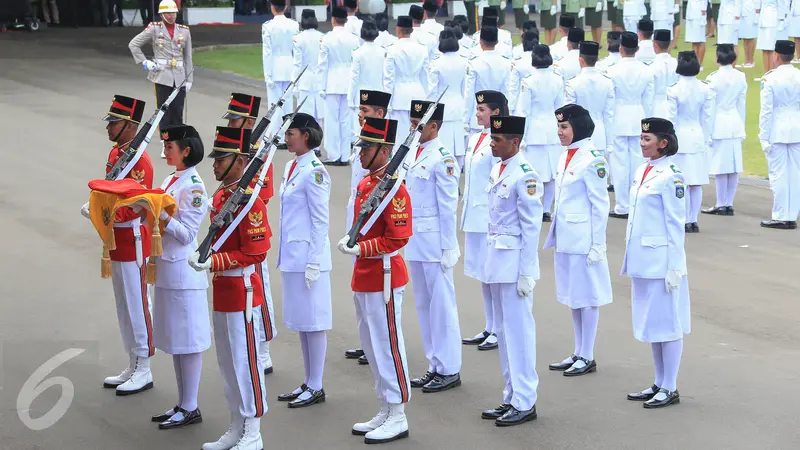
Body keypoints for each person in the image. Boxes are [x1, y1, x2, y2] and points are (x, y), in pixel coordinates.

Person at [188, 126, 268, 450]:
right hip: (223, 290)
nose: (214, 164)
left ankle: (253, 430)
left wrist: (216, 262)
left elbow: (256, 251)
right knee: (227, 363)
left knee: (246, 362)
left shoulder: (251, 203)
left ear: (240, 161)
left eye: (221, 158)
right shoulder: (221, 197)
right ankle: (237, 424)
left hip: (243, 290)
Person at [337, 117, 413, 444]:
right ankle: (385, 404)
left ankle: (398, 413)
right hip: (365, 275)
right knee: (371, 344)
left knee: (388, 345)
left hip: (384, 275)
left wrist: (360, 248)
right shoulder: (369, 183)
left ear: (384, 151)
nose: (360, 154)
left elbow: (398, 238)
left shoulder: (394, 188)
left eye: (366, 148)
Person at [87, 95, 155, 396]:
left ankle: (144, 366)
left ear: (130, 125)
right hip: (116, 239)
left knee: (138, 303)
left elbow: (137, 204)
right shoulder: (118, 154)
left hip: (133, 238)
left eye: (114, 123)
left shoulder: (140, 160)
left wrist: (105, 213)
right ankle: (132, 360)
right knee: (123, 305)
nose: (108, 128)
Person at [622, 117, 689, 410]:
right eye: (640, 138)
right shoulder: (643, 170)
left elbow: (676, 224)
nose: (641, 143)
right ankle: (659, 382)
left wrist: (675, 265)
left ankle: (670, 386)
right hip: (643, 259)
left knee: (668, 325)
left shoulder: (671, 175)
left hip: (662, 262)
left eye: (647, 139)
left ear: (663, 143)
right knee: (653, 324)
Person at [480, 114, 542, 427]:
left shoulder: (526, 175)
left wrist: (527, 272)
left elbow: (531, 228)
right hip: (496, 261)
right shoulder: (497, 168)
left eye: (497, 139)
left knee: (519, 334)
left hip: (515, 265)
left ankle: (525, 400)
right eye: (492, 137)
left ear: (514, 142)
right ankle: (511, 395)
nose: (491, 142)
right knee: (503, 334)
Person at [148, 124, 209, 430]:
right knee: (175, 341)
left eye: (170, 147)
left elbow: (187, 234)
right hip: (168, 270)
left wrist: (160, 214)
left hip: (184, 273)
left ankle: (191, 405)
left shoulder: (194, 186)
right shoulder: (172, 178)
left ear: (186, 150)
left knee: (188, 342)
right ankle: (183, 403)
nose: (165, 152)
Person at [544, 104, 612, 376]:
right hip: (567, 238)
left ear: (579, 128)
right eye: (559, 127)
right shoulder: (566, 156)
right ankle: (577, 351)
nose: (559, 132)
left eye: (564, 127)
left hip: (584, 239)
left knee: (588, 296)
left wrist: (598, 244)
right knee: (574, 297)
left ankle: (588, 354)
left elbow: (600, 205)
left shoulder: (592, 159)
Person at [275, 113, 333, 408]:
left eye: (291, 133)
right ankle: (309, 382)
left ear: (306, 136)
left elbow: (321, 220)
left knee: (314, 322)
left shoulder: (315, 171)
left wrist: (314, 261)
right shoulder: (291, 166)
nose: (287, 138)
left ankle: (317, 384)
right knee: (302, 322)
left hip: (310, 258)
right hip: (293, 255)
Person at [405, 100, 463, 394]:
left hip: (435, 243)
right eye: (412, 122)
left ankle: (450, 367)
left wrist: (449, 246)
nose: (413, 128)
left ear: (434, 127)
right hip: (415, 240)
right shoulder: (415, 151)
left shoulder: (443, 157)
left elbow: (448, 205)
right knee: (423, 305)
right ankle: (434, 364)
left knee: (441, 306)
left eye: (419, 124)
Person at [222, 93, 277, 375]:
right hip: (230, 228)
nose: (230, 122)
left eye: (235, 118)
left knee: (260, 291)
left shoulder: (261, 151)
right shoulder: (232, 147)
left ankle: (264, 347)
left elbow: (263, 195)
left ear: (250, 120)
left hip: (251, 228)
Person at [342, 89, 393, 366]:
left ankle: (379, 341)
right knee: (359, 288)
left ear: (380, 114)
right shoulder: (364, 142)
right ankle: (366, 342)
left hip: (376, 225)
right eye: (360, 111)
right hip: (358, 220)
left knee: (376, 290)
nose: (360, 116)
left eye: (366, 112)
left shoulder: (385, 147)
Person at [460, 91, 505, 351]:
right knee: (483, 276)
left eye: (482, 110)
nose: (477, 114)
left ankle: (499, 328)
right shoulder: (477, 138)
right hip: (474, 215)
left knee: (493, 275)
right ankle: (489, 326)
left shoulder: (498, 142)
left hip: (488, 215)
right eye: (477, 110)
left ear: (496, 113)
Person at [128, 0, 192, 158]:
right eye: (168, 13)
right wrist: (145, 62)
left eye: (174, 12)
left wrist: (189, 78)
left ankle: (178, 143)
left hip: (180, 77)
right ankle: (166, 144)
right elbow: (134, 44)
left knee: (177, 113)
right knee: (163, 112)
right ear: (162, 14)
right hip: (162, 76)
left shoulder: (184, 31)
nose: (171, 16)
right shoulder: (155, 29)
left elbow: (188, 56)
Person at [607, 31, 655, 219]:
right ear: (637, 49)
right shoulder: (646, 70)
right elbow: (648, 101)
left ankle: (622, 205)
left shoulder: (612, 70)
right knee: (638, 161)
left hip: (619, 117)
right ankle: (637, 202)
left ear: (620, 48)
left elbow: (610, 101)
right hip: (638, 116)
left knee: (619, 164)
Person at [667, 50, 714, 233]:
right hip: (698, 135)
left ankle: (684, 218)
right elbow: (707, 117)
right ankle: (693, 219)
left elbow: (671, 119)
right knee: (696, 181)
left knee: (682, 181)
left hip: (680, 136)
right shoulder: (705, 88)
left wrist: (668, 140)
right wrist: (706, 137)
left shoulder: (673, 89)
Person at [516, 44, 564, 221]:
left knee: (533, 171)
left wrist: (520, 136)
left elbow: (523, 111)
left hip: (534, 129)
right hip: (552, 129)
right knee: (551, 174)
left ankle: (534, 205)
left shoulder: (528, 81)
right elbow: (561, 109)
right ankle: (546, 209)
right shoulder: (558, 80)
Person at [759, 40, 800, 229]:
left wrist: (763, 136)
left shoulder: (770, 78)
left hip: (778, 130)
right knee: (795, 174)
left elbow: (766, 111)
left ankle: (781, 215)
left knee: (779, 175)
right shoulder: (798, 75)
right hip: (796, 129)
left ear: (776, 56)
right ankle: (791, 214)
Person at [702, 44, 747, 216]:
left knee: (721, 165)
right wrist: (741, 125)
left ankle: (722, 203)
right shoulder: (740, 76)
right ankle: (728, 202)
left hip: (719, 122)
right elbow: (741, 104)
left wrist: (708, 130)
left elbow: (710, 108)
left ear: (717, 58)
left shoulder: (713, 78)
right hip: (735, 122)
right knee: (734, 165)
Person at [319, 6, 361, 165]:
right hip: (348, 81)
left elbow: (322, 66)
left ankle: (334, 154)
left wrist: (321, 87)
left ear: (333, 19)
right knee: (345, 120)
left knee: (332, 120)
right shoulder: (354, 38)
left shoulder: (326, 38)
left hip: (331, 82)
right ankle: (344, 155)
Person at [384, 15, 430, 154]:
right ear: (411, 30)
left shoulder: (392, 49)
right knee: (417, 135)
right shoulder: (422, 49)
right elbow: (425, 77)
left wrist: (388, 102)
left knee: (399, 136)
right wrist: (426, 98)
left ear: (398, 29)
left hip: (399, 95)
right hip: (418, 92)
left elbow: (389, 79)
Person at [565, 41, 615, 158]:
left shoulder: (573, 83)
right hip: (599, 136)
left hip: (579, 136)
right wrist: (609, 143)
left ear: (581, 60)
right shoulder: (607, 82)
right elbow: (609, 115)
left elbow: (568, 115)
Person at [428, 28, 469, 170]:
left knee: (442, 148)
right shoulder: (464, 62)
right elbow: (465, 89)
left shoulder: (436, 64)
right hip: (459, 105)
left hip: (442, 107)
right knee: (458, 148)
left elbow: (432, 91)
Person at [463, 26, 513, 139]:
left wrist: (465, 120)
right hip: (498, 115)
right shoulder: (505, 62)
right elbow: (507, 92)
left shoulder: (474, 63)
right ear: (496, 42)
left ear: (481, 42)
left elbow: (469, 94)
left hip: (478, 115)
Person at [261, 0, 299, 141]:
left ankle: (276, 136)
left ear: (272, 7)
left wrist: (267, 75)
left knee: (275, 104)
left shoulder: (268, 26)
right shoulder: (294, 25)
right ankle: (287, 135)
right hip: (289, 66)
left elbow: (267, 53)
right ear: (286, 6)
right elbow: (296, 51)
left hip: (275, 67)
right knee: (287, 105)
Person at [349, 19, 386, 145]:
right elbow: (386, 76)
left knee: (360, 129)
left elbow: (354, 77)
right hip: (379, 93)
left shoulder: (357, 52)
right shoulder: (383, 51)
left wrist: (350, 98)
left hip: (362, 94)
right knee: (378, 128)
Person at [293, 9, 324, 122]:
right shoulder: (323, 37)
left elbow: (297, 64)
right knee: (318, 117)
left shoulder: (298, 38)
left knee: (305, 117)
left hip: (305, 80)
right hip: (319, 80)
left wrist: (294, 84)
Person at [506, 30, 538, 113]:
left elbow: (513, 88)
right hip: (540, 103)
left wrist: (510, 108)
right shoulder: (544, 62)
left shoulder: (518, 63)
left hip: (521, 104)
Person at [651, 29, 679, 118]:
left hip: (655, 107)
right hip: (675, 107)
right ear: (670, 44)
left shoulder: (651, 66)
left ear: (655, 44)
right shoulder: (678, 64)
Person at [756, 0, 782, 77]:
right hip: (762, 19)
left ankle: (772, 72)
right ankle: (766, 73)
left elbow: (781, 5)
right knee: (764, 48)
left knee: (771, 48)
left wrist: (782, 20)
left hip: (772, 19)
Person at [684, 0, 707, 69]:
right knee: (694, 41)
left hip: (699, 14)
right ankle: (694, 62)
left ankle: (699, 64)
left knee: (700, 40)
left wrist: (703, 14)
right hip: (691, 13)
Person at [738, 0, 759, 68]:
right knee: (745, 38)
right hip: (742, 14)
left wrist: (757, 14)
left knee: (751, 37)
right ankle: (746, 60)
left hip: (751, 14)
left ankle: (751, 61)